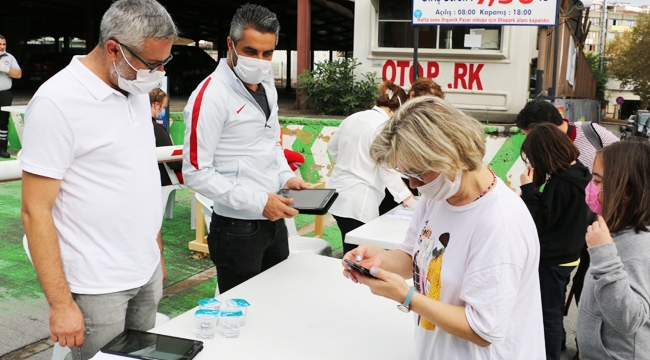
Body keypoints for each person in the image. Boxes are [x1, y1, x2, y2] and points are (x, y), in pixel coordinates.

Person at [20, 1, 176, 357]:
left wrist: (156, 252)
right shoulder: (57, 103)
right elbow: (34, 211)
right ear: (113, 49)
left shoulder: (133, 89)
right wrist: (61, 304)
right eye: (152, 64)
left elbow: (137, 179)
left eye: (165, 63)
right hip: (96, 284)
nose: (159, 73)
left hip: (144, 268)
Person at [343, 96, 545, 359]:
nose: (413, 185)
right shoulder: (436, 197)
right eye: (405, 175)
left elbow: (483, 330)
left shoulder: (500, 223)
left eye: (419, 173)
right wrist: (379, 259)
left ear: (453, 155)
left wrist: (407, 297)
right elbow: (414, 255)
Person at [182, 4, 308, 294]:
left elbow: (270, 143)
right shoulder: (210, 96)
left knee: (275, 302)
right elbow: (196, 173)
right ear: (230, 44)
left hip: (274, 220)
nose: (260, 61)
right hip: (237, 229)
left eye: (268, 53)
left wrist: (286, 177)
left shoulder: (266, 84)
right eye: (250, 51)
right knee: (241, 313)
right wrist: (257, 202)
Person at [518, 123, 592, 360]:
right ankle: (554, 347)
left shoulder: (561, 183)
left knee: (547, 313)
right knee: (553, 309)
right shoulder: (580, 172)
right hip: (569, 253)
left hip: (552, 258)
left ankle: (549, 354)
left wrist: (528, 189)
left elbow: (542, 220)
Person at [576, 141, 650, 359]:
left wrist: (604, 255)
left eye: (598, 180)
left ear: (625, 193)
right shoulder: (615, 231)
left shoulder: (640, 245)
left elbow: (630, 319)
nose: (591, 186)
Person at [327, 81, 416, 253]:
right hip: (359, 201)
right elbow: (388, 170)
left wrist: (351, 163)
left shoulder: (353, 118)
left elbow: (332, 147)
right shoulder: (384, 127)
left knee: (351, 249)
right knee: (359, 255)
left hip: (336, 195)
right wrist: (411, 201)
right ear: (399, 108)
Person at [377, 77, 445, 215]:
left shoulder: (423, 118)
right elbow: (387, 165)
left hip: (413, 180)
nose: (428, 109)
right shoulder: (396, 120)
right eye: (426, 103)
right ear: (412, 95)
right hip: (394, 184)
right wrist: (409, 199)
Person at [515, 100, 618, 172]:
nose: (531, 141)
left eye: (531, 136)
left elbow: (626, 160)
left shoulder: (592, 132)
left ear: (544, 129)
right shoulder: (541, 149)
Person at [149, 88, 182, 186]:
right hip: (164, 177)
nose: (163, 110)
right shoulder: (157, 129)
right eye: (163, 107)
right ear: (156, 105)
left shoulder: (139, 125)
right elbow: (173, 163)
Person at [0, 35, 22, 158]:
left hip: (4, 93)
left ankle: (2, 148)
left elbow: (18, 74)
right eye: (0, 44)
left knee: (3, 121)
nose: (2, 47)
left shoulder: (9, 57)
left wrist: (7, 69)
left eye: (4, 44)